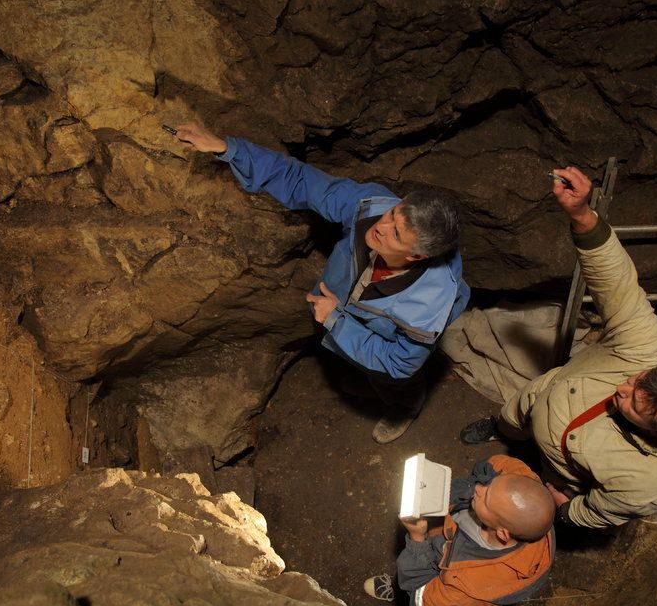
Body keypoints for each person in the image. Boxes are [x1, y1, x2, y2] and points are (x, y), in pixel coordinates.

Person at [460, 166, 657, 529]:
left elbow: (600, 511)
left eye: (633, 403)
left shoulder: (649, 483)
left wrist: (564, 511)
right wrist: (582, 215)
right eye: (638, 380)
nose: (622, 388)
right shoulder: (648, 348)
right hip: (539, 397)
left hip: (559, 472)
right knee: (513, 414)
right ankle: (502, 428)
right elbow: (617, 284)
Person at [174, 123, 470, 443]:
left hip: (384, 336)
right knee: (360, 355)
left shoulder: (426, 308)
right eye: (393, 214)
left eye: (396, 233)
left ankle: (403, 406)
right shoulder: (371, 208)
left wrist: (335, 319)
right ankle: (369, 376)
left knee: (394, 378)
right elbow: (301, 180)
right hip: (349, 307)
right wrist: (227, 148)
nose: (381, 226)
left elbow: (399, 362)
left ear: (415, 257)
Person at [364, 454, 555, 606]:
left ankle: (398, 592)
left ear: (503, 533)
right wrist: (445, 497)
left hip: (433, 573)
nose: (479, 488)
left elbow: (422, 604)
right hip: (445, 532)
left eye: (486, 498)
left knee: (409, 588)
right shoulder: (521, 481)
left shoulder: (467, 593)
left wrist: (417, 538)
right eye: (491, 485)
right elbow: (488, 467)